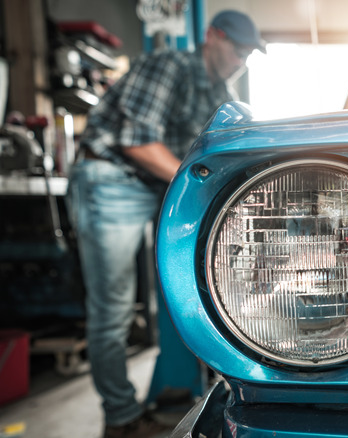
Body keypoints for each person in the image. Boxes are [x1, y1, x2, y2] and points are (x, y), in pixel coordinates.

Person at [66, 10, 264, 438]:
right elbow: (138, 142)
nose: (240, 60)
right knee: (115, 307)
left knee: (183, 292)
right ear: (211, 36)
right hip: (110, 180)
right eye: (236, 48)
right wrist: (199, 188)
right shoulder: (168, 65)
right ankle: (120, 418)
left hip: (157, 188)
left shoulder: (222, 94)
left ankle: (173, 394)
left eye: (248, 54)